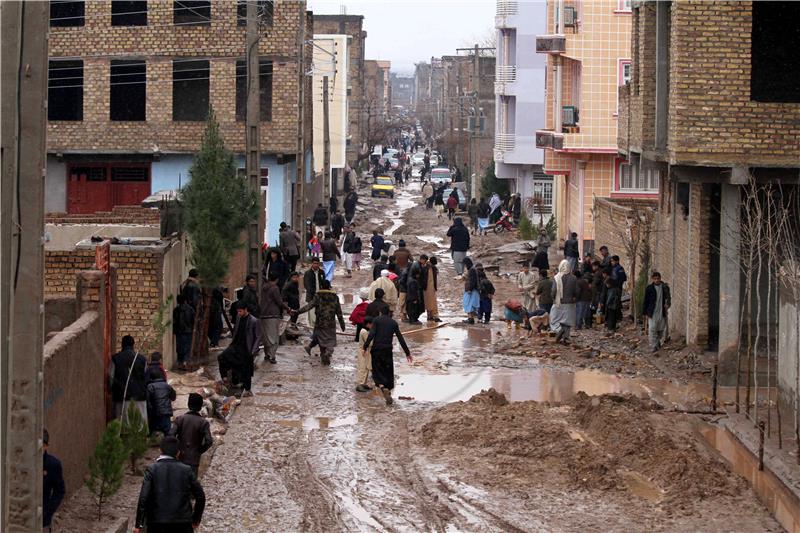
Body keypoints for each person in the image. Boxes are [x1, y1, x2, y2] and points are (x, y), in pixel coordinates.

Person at [133, 436, 205, 533]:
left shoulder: (152, 469)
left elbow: (143, 498)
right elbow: (200, 496)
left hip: (157, 522)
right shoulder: (186, 470)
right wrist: (195, 519)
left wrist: (139, 524)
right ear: (178, 452)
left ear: (160, 450)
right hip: (182, 522)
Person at [363, 307, 413, 405]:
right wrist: (407, 353)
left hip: (376, 350)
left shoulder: (376, 320)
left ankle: (382, 387)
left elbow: (371, 334)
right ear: (390, 313)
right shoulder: (393, 323)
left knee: (377, 370)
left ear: (381, 312)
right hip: (387, 350)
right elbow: (400, 338)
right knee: (388, 371)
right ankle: (388, 390)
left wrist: (364, 347)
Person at [294, 280, 346, 365]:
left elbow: (308, 306)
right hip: (330, 324)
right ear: (329, 287)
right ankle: (328, 352)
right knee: (330, 341)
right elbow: (339, 312)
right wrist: (342, 324)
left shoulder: (318, 296)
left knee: (321, 341)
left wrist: (297, 312)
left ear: (321, 286)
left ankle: (323, 357)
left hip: (320, 323)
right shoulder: (335, 297)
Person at [218, 305, 260, 397]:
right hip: (236, 346)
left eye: (240, 311)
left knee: (246, 369)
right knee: (222, 357)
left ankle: (247, 389)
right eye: (238, 311)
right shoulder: (238, 318)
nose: (239, 313)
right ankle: (226, 378)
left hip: (247, 348)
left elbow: (257, 337)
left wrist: (253, 350)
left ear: (246, 309)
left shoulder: (253, 321)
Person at [172, 393, 213, 476]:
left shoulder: (180, 419)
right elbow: (209, 441)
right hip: (194, 459)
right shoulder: (203, 422)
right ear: (201, 406)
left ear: (188, 404)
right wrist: (199, 450)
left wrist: (176, 450)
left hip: (180, 457)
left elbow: (171, 436)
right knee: (192, 484)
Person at [110, 335, 148, 421]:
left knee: (123, 425)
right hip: (139, 397)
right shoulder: (142, 359)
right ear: (133, 345)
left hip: (121, 397)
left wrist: (111, 391)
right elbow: (146, 378)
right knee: (139, 425)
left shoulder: (116, 358)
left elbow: (111, 378)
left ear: (122, 344)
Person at [260, 271, 291, 365]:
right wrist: (288, 308)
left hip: (263, 314)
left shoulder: (263, 288)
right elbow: (279, 302)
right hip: (273, 315)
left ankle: (267, 354)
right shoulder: (275, 288)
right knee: (273, 337)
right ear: (277, 279)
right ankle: (272, 356)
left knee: (265, 336)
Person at [550, 260, 579, 344]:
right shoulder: (573, 278)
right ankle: (565, 338)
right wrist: (575, 297)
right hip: (570, 303)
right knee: (567, 321)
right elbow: (577, 290)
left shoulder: (557, 277)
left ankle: (559, 330)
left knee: (554, 320)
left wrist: (553, 298)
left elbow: (554, 290)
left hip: (558, 302)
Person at [642, 271, 671, 353]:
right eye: (655, 279)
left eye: (658, 279)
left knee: (661, 328)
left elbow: (669, 297)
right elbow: (646, 301)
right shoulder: (649, 288)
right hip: (652, 312)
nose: (657, 280)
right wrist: (645, 312)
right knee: (652, 329)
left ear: (660, 278)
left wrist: (668, 304)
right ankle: (654, 345)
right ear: (652, 279)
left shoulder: (665, 287)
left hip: (662, 311)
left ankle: (658, 341)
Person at [43, 429, 65, 533]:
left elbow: (60, 491)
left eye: (42, 445)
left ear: (46, 446)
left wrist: (48, 510)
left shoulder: (53, 465)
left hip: (43, 517)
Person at [146, 370, 175, 436]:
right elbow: (173, 397)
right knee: (168, 434)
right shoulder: (167, 386)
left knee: (152, 433)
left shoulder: (150, 386)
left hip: (155, 414)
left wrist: (150, 413)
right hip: (166, 414)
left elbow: (148, 402)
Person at [303, 257, 325, 329]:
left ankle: (317, 328)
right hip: (311, 297)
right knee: (312, 314)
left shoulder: (322, 272)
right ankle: (312, 328)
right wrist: (312, 294)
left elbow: (324, 283)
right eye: (314, 263)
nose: (315, 265)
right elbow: (306, 285)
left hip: (320, 296)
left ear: (319, 264)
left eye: (317, 263)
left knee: (319, 313)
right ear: (312, 264)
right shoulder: (307, 273)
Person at [417, 255, 440, 322]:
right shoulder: (430, 268)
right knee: (432, 302)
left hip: (425, 287)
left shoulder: (426, 267)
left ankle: (429, 316)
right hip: (429, 287)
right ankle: (435, 316)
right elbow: (431, 279)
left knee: (427, 302)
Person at [355, 316, 374, 392]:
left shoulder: (364, 330)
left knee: (366, 367)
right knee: (362, 368)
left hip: (365, 351)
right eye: (372, 324)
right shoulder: (364, 332)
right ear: (368, 324)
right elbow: (369, 343)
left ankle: (363, 384)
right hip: (363, 351)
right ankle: (360, 384)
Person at [462, 258, 480, 324]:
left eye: (465, 265)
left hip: (471, 290)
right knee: (470, 304)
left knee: (468, 304)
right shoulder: (472, 269)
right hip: (472, 289)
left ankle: (470, 318)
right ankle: (470, 318)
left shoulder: (472, 270)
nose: (464, 266)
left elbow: (473, 281)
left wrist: (470, 289)